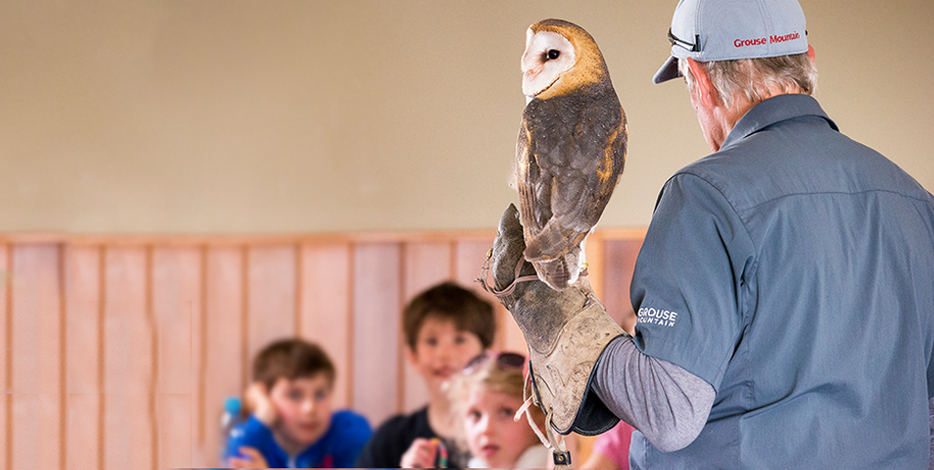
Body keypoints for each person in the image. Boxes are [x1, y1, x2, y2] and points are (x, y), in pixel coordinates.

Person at [484, 0, 934, 468]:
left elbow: (670, 412)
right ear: (809, 61)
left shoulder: (704, 197)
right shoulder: (917, 202)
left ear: (697, 79)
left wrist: (564, 317)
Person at [355, 281, 497, 468]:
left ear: (487, 354)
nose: (444, 354)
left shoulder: (503, 439)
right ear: (413, 356)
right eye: (431, 341)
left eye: (459, 339)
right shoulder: (390, 441)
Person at [223, 338, 371, 468]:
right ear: (266, 397)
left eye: (320, 395)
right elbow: (236, 461)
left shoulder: (349, 431)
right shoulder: (256, 435)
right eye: (294, 395)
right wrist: (263, 413)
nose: (310, 408)